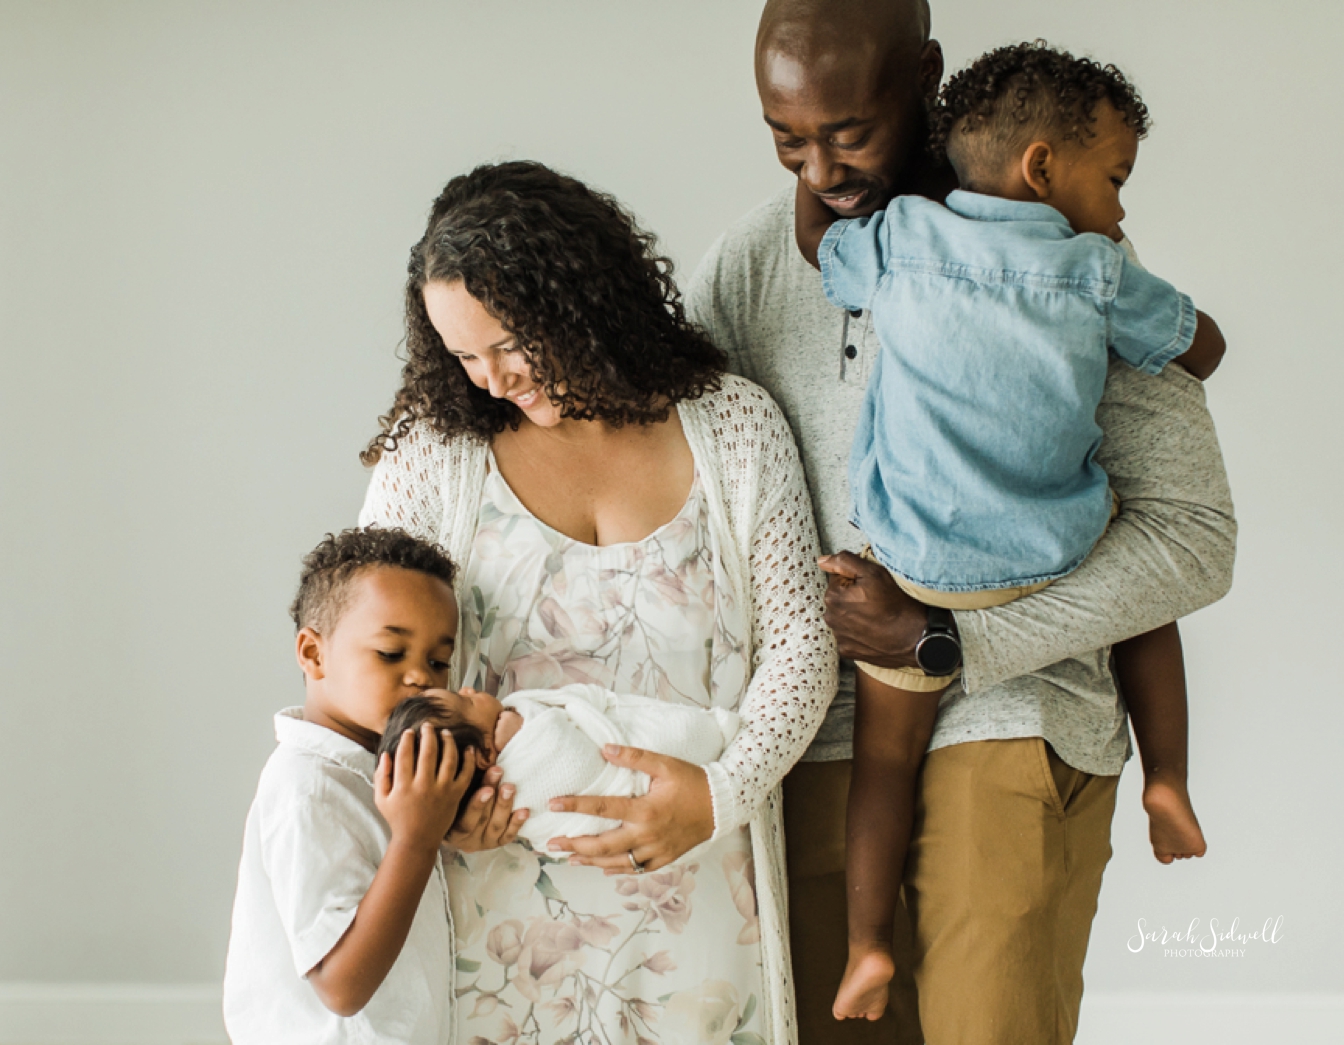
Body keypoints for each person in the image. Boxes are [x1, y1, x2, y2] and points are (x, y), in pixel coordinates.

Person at [685, 2, 1237, 1042]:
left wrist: (950, 640)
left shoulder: (1069, 253)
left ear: (923, 80)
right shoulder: (755, 264)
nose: (819, 170)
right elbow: (672, 475)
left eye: (847, 133)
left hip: (1014, 721)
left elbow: (1190, 537)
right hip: (809, 752)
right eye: (786, 140)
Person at [358, 160, 836, 1045]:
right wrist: (435, 814)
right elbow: (369, 658)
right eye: (462, 355)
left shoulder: (732, 426)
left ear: (580, 300)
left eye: (507, 344)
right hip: (494, 921)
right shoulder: (434, 455)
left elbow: (804, 644)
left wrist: (722, 792)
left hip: (703, 905)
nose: (490, 378)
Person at [223, 528, 476, 1045]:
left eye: (438, 662)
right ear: (313, 654)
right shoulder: (308, 787)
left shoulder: (385, 770)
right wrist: (416, 839)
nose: (419, 679)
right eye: (390, 653)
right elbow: (340, 986)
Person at [379, 683, 743, 851]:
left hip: (702, 812)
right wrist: (524, 719)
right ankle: (714, 734)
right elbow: (573, 756)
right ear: (487, 754)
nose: (468, 688)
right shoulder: (525, 738)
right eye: (464, 701)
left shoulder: (496, 754)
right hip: (645, 800)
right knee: (678, 741)